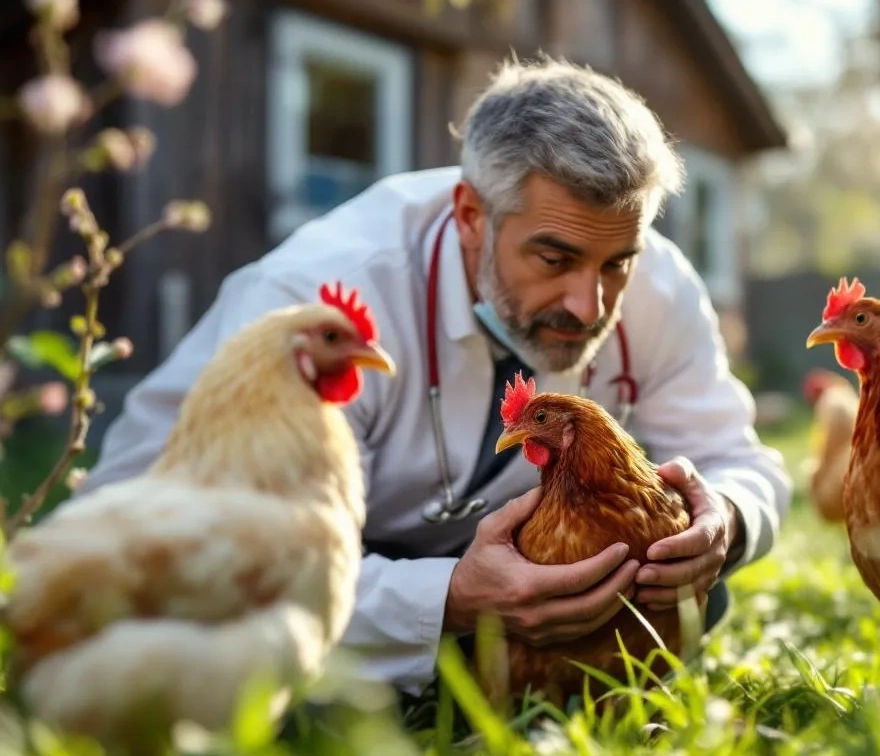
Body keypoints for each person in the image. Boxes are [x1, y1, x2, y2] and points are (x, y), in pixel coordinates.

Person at [80, 57, 793, 699]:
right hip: (285, 563)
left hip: (517, 578)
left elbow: (741, 460)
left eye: (616, 263)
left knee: (696, 603)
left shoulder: (661, 283)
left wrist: (722, 523)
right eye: (554, 259)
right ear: (472, 216)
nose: (592, 304)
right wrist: (445, 599)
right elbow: (200, 560)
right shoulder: (323, 303)